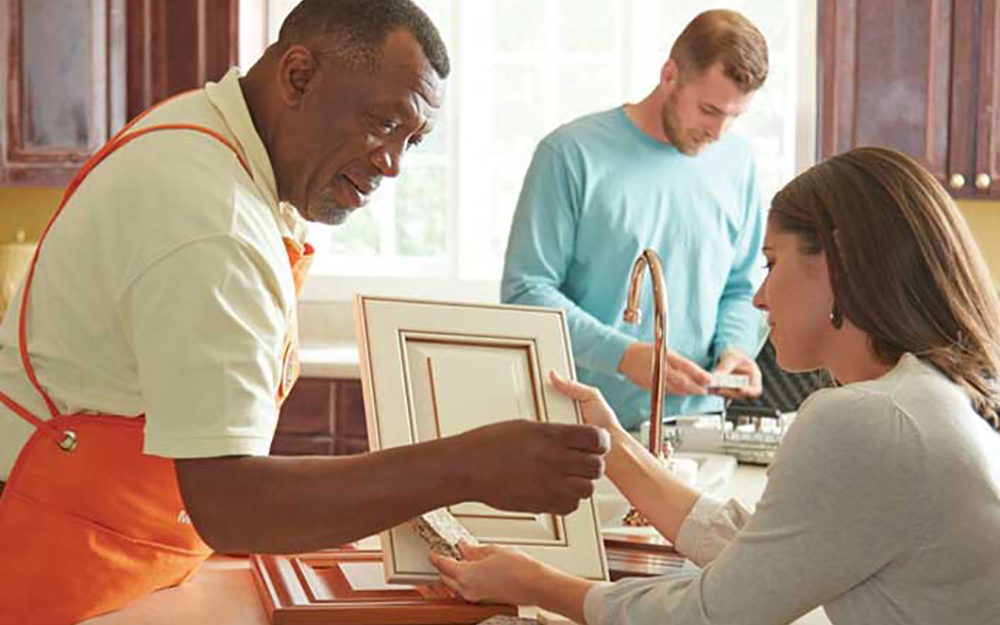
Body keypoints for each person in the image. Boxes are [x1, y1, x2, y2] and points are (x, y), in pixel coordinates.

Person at [0, 1, 609, 622]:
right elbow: (232, 504)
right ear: (298, 76)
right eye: (381, 122)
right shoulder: (214, 218)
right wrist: (469, 466)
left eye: (412, 140)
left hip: (130, 554)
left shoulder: (222, 146)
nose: (393, 163)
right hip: (52, 565)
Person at [431, 147, 1000, 624]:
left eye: (772, 264)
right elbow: (764, 557)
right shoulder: (931, 395)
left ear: (839, 262)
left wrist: (535, 583)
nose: (758, 297)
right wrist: (614, 446)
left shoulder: (868, 420)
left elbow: (712, 615)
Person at [501, 10, 770, 431]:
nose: (719, 131)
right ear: (669, 76)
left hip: (696, 431)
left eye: (735, 116)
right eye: (709, 109)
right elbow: (525, 292)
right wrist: (623, 357)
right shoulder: (570, 154)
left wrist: (736, 349)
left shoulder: (738, 163)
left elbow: (741, 285)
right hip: (584, 427)